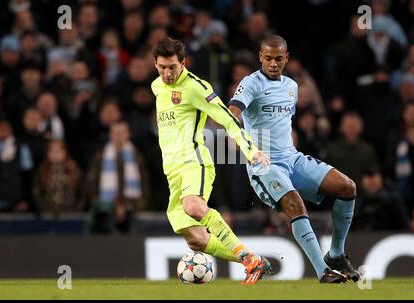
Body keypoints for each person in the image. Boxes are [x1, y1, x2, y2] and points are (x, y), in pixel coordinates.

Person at [228, 35, 361, 283]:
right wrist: (241, 139)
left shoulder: (292, 86)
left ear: (286, 58)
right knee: (295, 204)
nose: (273, 63)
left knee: (347, 187)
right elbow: (232, 112)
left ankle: (336, 255)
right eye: (268, 58)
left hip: (292, 159)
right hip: (264, 164)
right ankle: (323, 271)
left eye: (279, 58)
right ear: (260, 57)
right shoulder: (251, 83)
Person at [151, 37, 271, 284]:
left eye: (172, 67)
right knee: (196, 239)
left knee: (193, 206)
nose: (167, 73)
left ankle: (246, 256)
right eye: (162, 67)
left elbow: (227, 118)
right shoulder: (156, 86)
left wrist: (251, 151)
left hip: (194, 161)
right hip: (171, 171)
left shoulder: (197, 87)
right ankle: (253, 260)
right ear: (155, 64)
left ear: (183, 63)